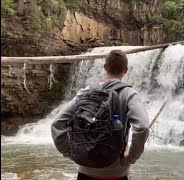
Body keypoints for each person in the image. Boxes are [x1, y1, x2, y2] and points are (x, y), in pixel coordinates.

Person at [51, 50, 149, 180]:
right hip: (117, 174)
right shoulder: (129, 94)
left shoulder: (86, 92)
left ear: (105, 67)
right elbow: (142, 127)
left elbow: (57, 124)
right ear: (125, 70)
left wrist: (70, 152)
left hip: (85, 172)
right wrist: (130, 158)